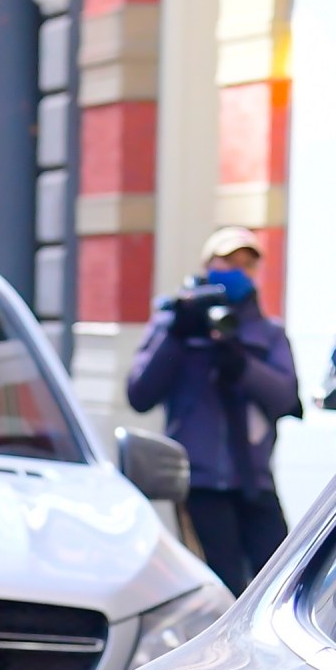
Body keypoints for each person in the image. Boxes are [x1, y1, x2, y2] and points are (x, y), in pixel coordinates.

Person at [128, 226, 300, 595]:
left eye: (246, 264)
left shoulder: (267, 333)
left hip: (253, 480)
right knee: (223, 589)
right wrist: (177, 335)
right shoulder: (174, 319)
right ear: (208, 265)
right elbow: (141, 393)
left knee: (284, 584)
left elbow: (285, 396)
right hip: (200, 482)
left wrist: (241, 365)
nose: (237, 271)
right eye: (228, 261)